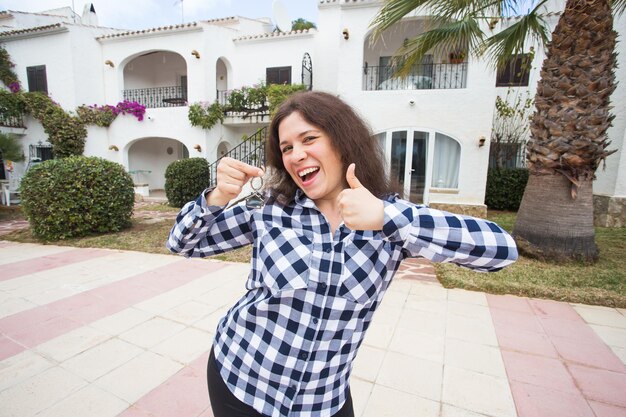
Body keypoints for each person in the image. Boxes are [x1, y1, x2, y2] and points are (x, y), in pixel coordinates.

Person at [167, 91, 518, 417]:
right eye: (286, 147)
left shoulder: (390, 220)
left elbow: (501, 250)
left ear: (342, 141)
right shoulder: (270, 210)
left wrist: (388, 217)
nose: (296, 155)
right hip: (241, 379)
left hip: (322, 400)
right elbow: (183, 243)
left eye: (309, 139)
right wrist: (215, 198)